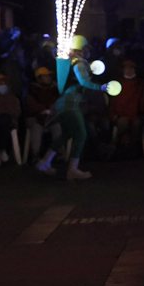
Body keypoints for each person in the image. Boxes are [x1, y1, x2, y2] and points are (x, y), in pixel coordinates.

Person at [35, 36, 107, 180]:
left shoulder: (70, 61)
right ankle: (72, 169)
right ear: (81, 48)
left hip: (63, 103)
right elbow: (84, 82)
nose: (88, 51)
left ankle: (45, 162)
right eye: (86, 48)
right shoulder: (79, 63)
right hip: (70, 104)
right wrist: (101, 87)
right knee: (81, 134)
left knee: (67, 134)